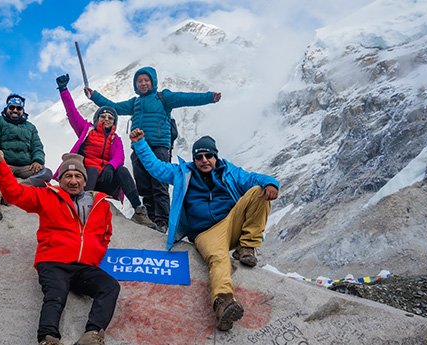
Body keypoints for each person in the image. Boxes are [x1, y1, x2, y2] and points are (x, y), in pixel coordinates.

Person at [129, 128, 279, 332]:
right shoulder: (183, 173)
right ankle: (223, 303)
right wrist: (140, 144)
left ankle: (247, 247)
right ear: (194, 159)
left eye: (208, 155)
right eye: (199, 157)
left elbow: (252, 179)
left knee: (258, 191)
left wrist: (271, 183)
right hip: (206, 233)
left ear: (216, 156)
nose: (204, 160)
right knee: (218, 261)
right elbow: (156, 168)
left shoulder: (229, 171)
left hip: (231, 222)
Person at [0, 150, 120, 345]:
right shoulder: (47, 195)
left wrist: (96, 254)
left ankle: (91, 336)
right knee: (56, 295)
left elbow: (106, 234)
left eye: (77, 176)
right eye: (68, 176)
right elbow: (14, 193)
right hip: (53, 262)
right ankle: (48, 339)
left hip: (85, 267)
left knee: (110, 286)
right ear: (60, 179)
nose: (73, 180)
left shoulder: (100, 203)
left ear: (84, 180)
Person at [85, 66, 222, 232]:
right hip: (139, 148)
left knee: (159, 184)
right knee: (143, 185)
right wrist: (94, 96)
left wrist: (209, 97)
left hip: (159, 146)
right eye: (139, 81)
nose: (143, 83)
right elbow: (113, 107)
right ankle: (149, 219)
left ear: (153, 82)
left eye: (146, 80)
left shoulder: (163, 98)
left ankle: (163, 221)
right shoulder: (134, 103)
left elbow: (187, 98)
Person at [56, 74, 156, 229]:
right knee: (93, 169)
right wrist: (63, 90)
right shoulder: (86, 130)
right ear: (97, 119)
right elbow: (72, 113)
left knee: (122, 170)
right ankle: (83, 207)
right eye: (103, 116)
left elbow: (119, 157)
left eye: (111, 117)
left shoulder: (115, 139)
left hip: (105, 179)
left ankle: (139, 210)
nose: (107, 119)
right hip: (86, 178)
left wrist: (110, 167)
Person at [0, 94, 52, 221]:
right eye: (11, 107)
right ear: (6, 108)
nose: (15, 110)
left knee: (45, 173)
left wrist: (38, 160)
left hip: (26, 166)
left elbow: (37, 146)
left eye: (18, 108)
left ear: (23, 110)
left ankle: (14, 189)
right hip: (4, 163)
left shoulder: (30, 127)